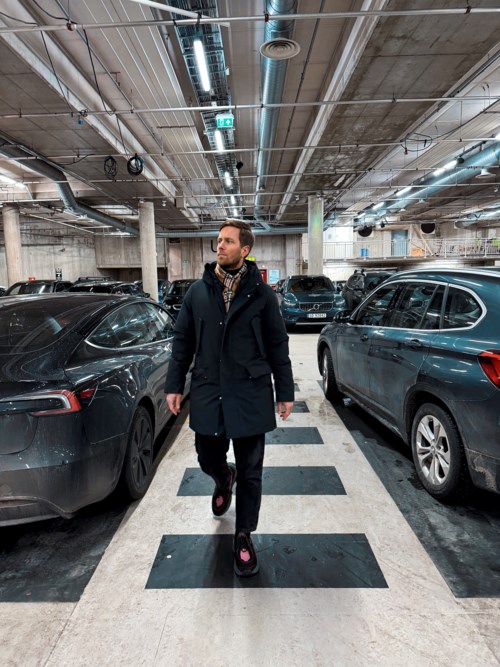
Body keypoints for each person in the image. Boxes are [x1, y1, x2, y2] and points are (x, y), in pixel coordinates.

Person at [165, 219, 294, 577]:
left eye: (228, 241)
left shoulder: (262, 295)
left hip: (250, 391)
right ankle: (223, 478)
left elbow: (277, 344)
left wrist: (285, 391)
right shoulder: (197, 292)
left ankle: (243, 535)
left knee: (252, 472)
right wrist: (174, 385)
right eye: (218, 240)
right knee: (206, 456)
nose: (220, 246)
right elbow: (182, 342)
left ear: (245, 250)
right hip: (209, 389)